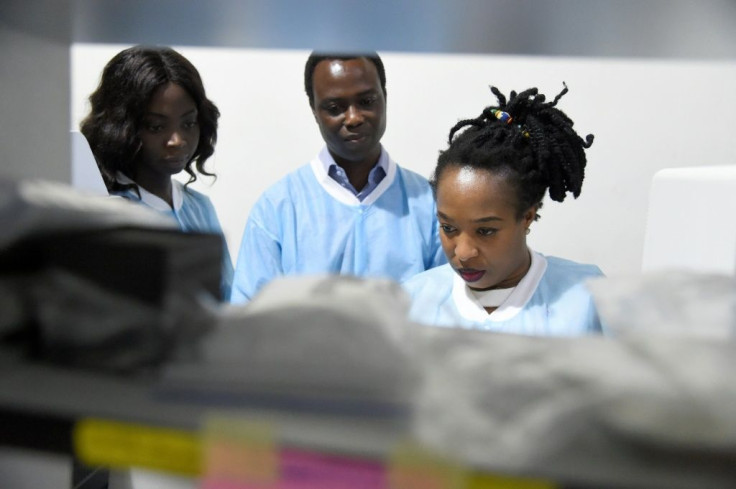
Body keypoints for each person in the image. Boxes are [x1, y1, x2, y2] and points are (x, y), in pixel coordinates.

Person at [230, 51, 445, 303]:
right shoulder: (277, 208)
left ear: (384, 98)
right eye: (335, 108)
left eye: (366, 101)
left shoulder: (428, 202)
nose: (353, 118)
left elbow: (448, 308)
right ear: (314, 110)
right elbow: (251, 319)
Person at [403, 84, 604, 335]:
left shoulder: (586, 297)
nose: (463, 253)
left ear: (527, 217)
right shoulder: (412, 302)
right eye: (448, 228)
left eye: (485, 231)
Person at [80, 45, 233, 301]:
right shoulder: (108, 215)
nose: (177, 140)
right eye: (156, 126)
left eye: (188, 123)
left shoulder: (200, 208)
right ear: (121, 127)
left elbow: (227, 300)